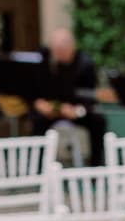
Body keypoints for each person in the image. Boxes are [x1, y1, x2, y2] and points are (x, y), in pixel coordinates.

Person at [28, 27, 106, 165]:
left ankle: (96, 169)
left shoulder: (85, 64)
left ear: (72, 47)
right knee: (37, 121)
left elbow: (90, 99)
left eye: (61, 50)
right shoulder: (43, 60)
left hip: (75, 110)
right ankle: (37, 167)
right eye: (55, 50)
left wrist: (77, 111)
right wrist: (38, 103)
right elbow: (33, 89)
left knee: (98, 122)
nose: (58, 54)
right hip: (51, 110)